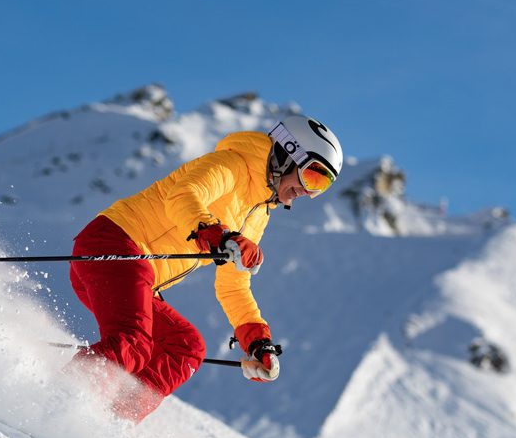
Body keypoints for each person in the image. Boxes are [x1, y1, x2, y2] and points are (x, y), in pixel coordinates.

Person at [67, 115, 343, 421]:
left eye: (322, 186)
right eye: (311, 177)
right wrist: (216, 233)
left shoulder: (258, 212)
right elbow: (183, 195)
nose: (308, 192)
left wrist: (256, 340)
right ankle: (61, 397)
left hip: (137, 276)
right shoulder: (232, 165)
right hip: (115, 243)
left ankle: (111, 421)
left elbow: (233, 285)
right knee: (133, 343)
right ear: (288, 153)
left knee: (185, 347)